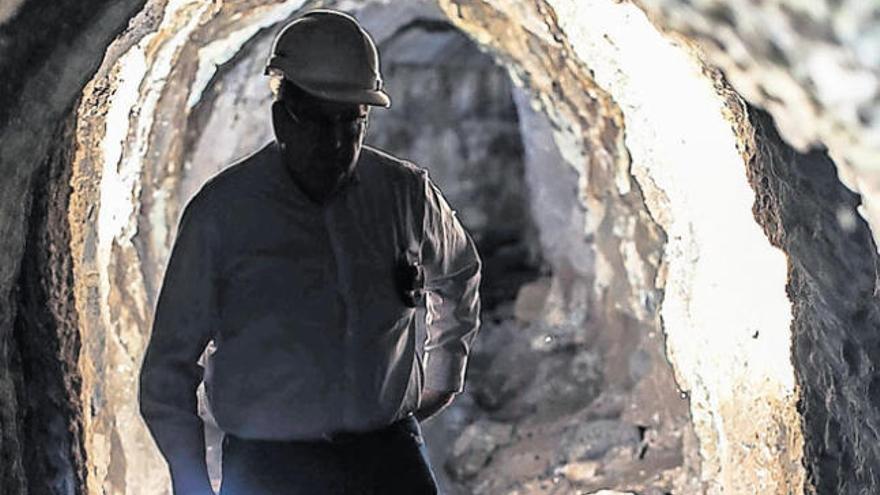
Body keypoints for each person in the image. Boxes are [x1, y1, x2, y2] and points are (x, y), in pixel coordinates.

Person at [138, 9, 482, 495]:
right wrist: (189, 480)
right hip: (271, 467)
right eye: (319, 122)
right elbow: (170, 368)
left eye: (351, 122)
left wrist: (444, 374)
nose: (337, 142)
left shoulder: (404, 194)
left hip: (387, 456)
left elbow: (459, 271)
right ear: (283, 116)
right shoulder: (223, 215)